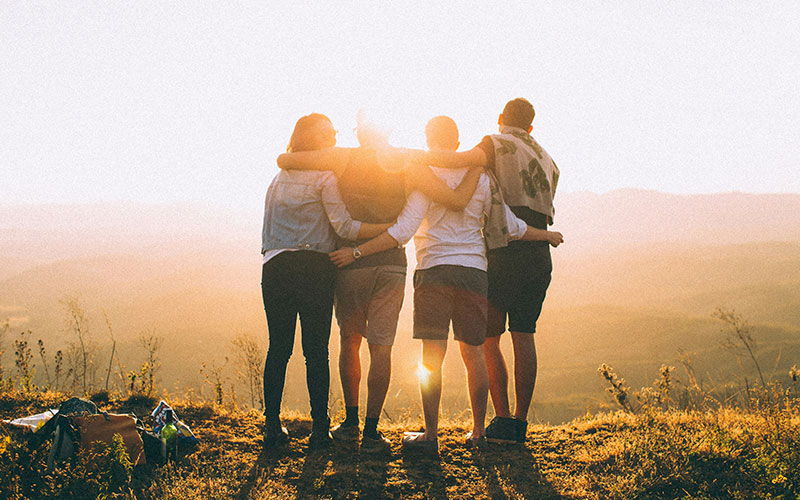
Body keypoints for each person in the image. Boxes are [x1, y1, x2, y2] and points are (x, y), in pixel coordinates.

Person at [329, 116, 563, 451]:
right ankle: (479, 433)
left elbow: (403, 231)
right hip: (474, 273)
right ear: (457, 142)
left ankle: (430, 436)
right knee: (474, 355)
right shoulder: (481, 177)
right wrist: (547, 235)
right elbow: (511, 226)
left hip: (433, 271)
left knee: (431, 357)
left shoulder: (424, 176)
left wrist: (357, 251)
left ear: (428, 139)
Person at [277, 111, 482, 452]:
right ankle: (372, 432)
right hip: (391, 265)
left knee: (350, 341)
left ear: (360, 133)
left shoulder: (342, 157)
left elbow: (287, 159)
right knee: (381, 347)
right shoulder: (407, 160)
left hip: (349, 263)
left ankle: (351, 422)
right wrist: (477, 162)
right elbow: (450, 188)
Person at [413, 98, 561, 444]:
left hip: (503, 250)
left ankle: (501, 419)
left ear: (500, 119)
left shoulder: (494, 144)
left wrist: (408, 158)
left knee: (488, 340)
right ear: (531, 126)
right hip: (537, 252)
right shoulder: (548, 158)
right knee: (525, 335)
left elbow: (459, 160)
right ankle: (519, 424)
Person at [260, 113, 393, 449]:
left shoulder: (277, 178)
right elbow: (345, 228)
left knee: (278, 348)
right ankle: (320, 430)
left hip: (275, 266)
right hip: (314, 268)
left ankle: (272, 428)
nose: (334, 136)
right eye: (328, 132)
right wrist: (387, 229)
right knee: (315, 352)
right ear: (312, 139)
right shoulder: (325, 177)